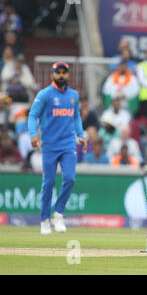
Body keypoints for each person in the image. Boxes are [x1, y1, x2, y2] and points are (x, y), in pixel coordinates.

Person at [27, 62, 87, 235]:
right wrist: (33, 134)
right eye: (58, 72)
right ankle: (45, 219)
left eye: (64, 73)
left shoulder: (74, 95)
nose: (61, 75)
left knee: (70, 179)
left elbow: (76, 117)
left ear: (68, 75)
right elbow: (32, 115)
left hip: (68, 144)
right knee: (49, 182)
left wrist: (81, 135)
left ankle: (58, 214)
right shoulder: (45, 94)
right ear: (52, 74)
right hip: (49, 145)